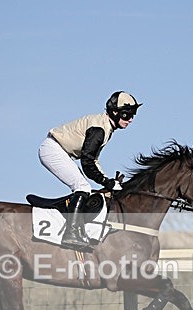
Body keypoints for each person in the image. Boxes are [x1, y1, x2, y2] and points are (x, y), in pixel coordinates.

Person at [38, 91, 141, 251]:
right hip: (53, 149)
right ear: (115, 113)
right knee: (82, 187)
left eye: (132, 115)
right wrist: (107, 182)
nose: (131, 119)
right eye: (127, 115)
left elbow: (93, 160)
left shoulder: (106, 128)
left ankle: (76, 229)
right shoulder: (99, 130)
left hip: (60, 151)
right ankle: (71, 233)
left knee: (85, 188)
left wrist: (108, 181)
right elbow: (87, 162)